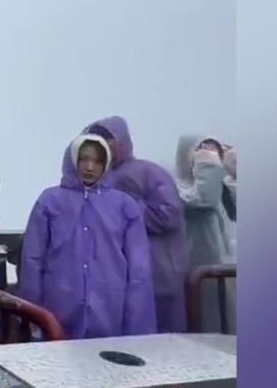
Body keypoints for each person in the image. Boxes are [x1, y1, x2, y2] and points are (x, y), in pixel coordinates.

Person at [18, 134, 156, 338]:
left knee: (106, 367)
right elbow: (33, 259)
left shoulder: (125, 206)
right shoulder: (50, 201)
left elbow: (139, 269)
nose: (90, 167)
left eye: (98, 161)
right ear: (73, 159)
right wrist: (31, 313)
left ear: (107, 164)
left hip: (110, 312)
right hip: (57, 311)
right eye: (84, 159)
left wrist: (136, 325)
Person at [85, 117, 189, 333]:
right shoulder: (93, 180)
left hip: (157, 273)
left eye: (107, 137)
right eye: (95, 138)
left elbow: (169, 214)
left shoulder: (150, 172)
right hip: (115, 277)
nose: (101, 143)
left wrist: (123, 209)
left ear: (121, 140)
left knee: (166, 344)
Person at [175, 135, 237, 333]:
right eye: (202, 150)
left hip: (224, 273)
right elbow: (204, 201)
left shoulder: (219, 187)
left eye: (215, 151)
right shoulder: (179, 189)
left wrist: (233, 172)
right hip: (198, 276)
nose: (209, 155)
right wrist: (208, 164)